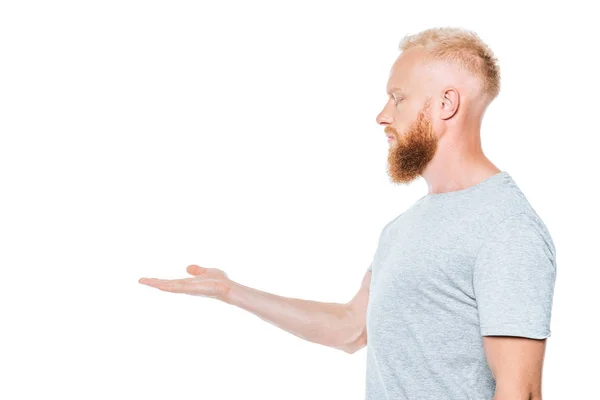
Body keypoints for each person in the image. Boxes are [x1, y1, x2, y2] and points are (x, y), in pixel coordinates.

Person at [139, 26, 557, 400]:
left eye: (398, 98)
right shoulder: (404, 227)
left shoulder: (505, 227)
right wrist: (231, 292)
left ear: (446, 103)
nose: (382, 115)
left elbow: (521, 391)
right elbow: (351, 328)